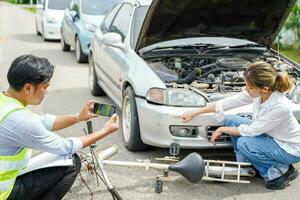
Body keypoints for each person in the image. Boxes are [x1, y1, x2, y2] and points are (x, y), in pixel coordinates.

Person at [0, 55, 120, 200]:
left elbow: (43, 122)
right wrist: (105, 131)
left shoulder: (6, 101)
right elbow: (65, 147)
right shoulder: (21, 121)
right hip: (4, 193)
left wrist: (78, 117)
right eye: (45, 87)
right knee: (71, 162)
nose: (46, 92)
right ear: (28, 88)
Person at [177, 61, 300, 190]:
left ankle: (279, 172)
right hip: (274, 138)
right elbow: (226, 103)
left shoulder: (280, 106)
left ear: (264, 89)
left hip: (290, 149)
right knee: (232, 120)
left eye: (249, 87)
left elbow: (251, 131)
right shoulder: (259, 93)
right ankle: (246, 165)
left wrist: (221, 129)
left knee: (245, 143)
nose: (246, 88)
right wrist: (194, 112)